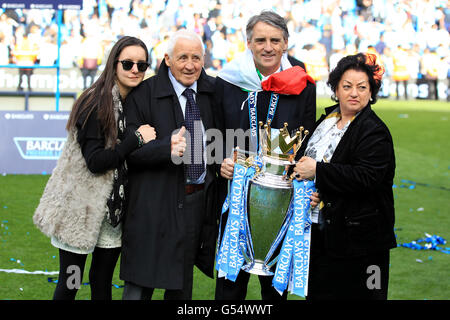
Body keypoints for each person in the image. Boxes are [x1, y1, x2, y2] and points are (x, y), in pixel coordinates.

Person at [33, 36, 155, 300]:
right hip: (81, 209)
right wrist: (136, 140)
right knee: (71, 282)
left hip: (112, 213)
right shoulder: (95, 102)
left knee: (102, 282)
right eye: (128, 63)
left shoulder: (132, 102)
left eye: (142, 65)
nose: (135, 69)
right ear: (114, 64)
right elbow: (96, 162)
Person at [213, 10, 316, 300]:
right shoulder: (228, 79)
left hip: (280, 198)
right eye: (260, 40)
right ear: (248, 42)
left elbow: (306, 138)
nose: (267, 47)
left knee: (274, 289)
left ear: (285, 43)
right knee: (230, 289)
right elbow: (215, 133)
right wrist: (221, 161)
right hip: (236, 197)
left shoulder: (303, 80)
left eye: (274, 40)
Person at [120, 29, 218, 300]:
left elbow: (219, 143)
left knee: (180, 289)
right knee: (139, 286)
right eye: (182, 57)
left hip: (194, 203)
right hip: (153, 202)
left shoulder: (213, 92)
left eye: (196, 58)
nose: (190, 65)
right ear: (167, 59)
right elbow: (129, 152)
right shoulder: (143, 94)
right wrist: (166, 148)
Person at [293, 52, 397, 300]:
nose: (354, 93)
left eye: (362, 87)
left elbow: (367, 177)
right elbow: (304, 162)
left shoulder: (375, 131)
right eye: (347, 86)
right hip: (323, 235)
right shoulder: (327, 120)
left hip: (363, 243)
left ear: (372, 93)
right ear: (336, 90)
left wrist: (319, 171)